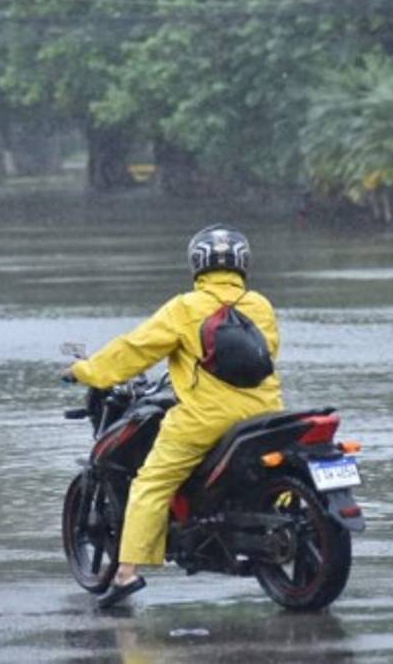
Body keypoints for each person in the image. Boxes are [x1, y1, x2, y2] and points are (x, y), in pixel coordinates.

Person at [65, 224, 283, 608]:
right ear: (243, 263)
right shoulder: (260, 305)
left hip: (205, 418)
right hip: (264, 415)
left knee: (151, 481)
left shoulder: (185, 307)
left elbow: (134, 351)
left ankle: (127, 573)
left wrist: (86, 371)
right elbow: (267, 354)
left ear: (196, 264)